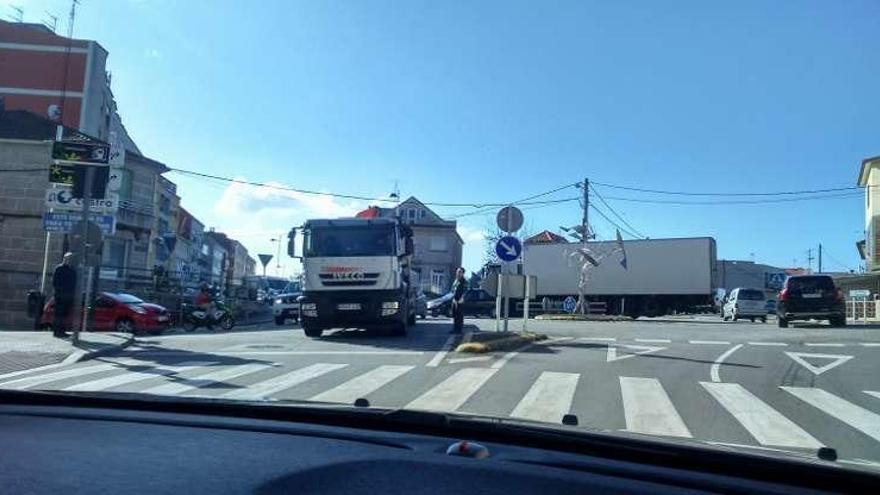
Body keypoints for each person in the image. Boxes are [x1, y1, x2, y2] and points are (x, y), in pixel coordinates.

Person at [51, 252, 76, 338]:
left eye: (71, 259)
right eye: (68, 259)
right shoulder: (59, 268)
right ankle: (56, 331)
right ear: (64, 259)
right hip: (60, 296)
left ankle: (62, 331)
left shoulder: (72, 270)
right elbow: (55, 282)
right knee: (58, 314)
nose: (69, 261)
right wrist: (59, 292)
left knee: (65, 314)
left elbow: (74, 283)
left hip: (69, 296)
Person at [451, 267, 467, 334]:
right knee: (455, 316)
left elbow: (465, 291)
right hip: (454, 300)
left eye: (460, 272)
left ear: (463, 273)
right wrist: (453, 299)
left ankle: (459, 330)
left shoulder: (464, 281)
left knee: (459, 316)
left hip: (460, 301)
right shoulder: (456, 281)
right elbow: (452, 290)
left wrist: (462, 298)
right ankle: (455, 329)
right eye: (457, 271)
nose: (458, 273)